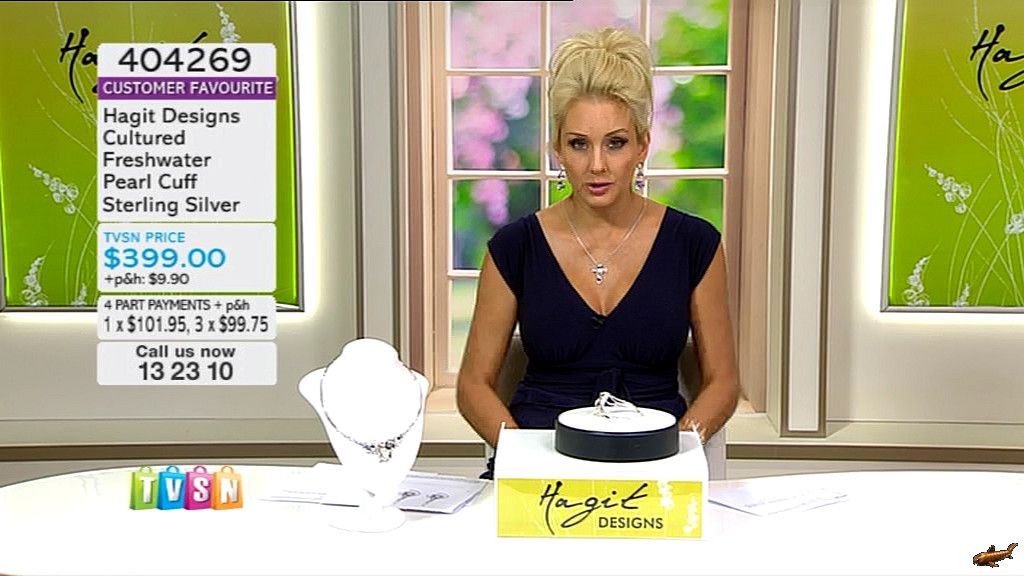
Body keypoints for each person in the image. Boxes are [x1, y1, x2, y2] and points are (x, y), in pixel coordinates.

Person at [456, 27, 741, 469]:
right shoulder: (514, 248)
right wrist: (524, 457)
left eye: (616, 143)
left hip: (654, 462)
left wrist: (679, 452)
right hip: (538, 461)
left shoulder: (695, 245)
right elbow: (473, 386)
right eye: (578, 144)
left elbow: (723, 383)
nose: (597, 165)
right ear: (557, 149)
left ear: (643, 145)